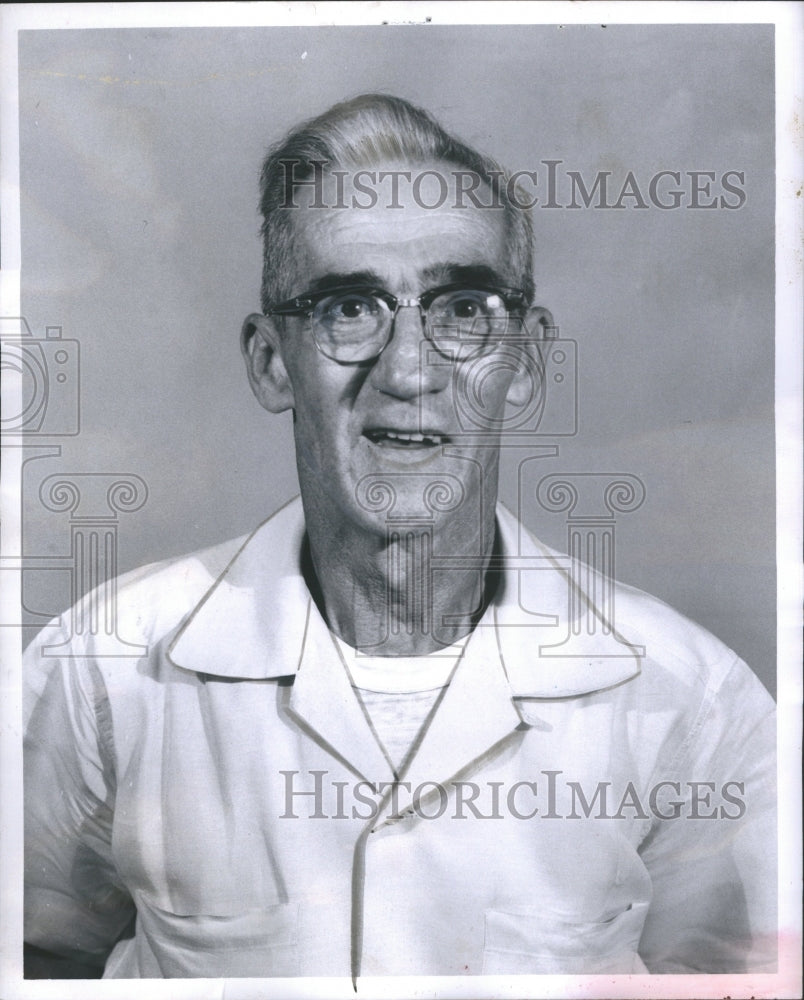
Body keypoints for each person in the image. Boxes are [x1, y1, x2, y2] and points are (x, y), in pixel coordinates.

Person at [23, 94, 776, 981]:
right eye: (349, 307)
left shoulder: (691, 697)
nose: (409, 369)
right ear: (271, 362)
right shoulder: (101, 670)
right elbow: (30, 955)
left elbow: (741, 980)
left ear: (525, 363)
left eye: (461, 309)